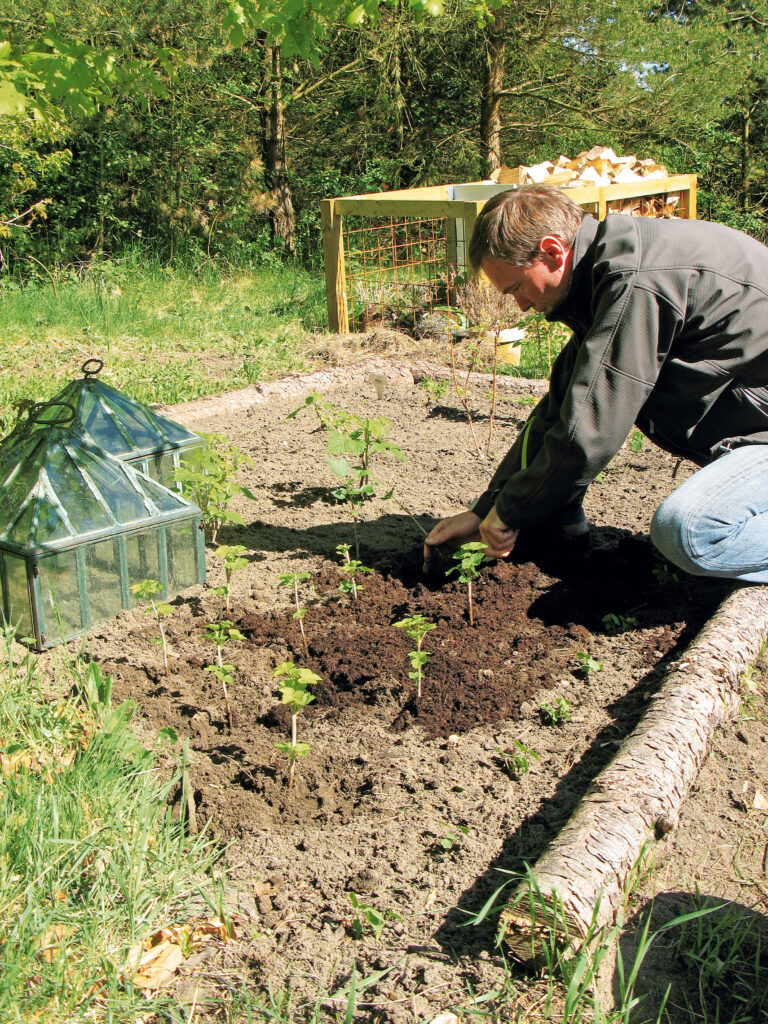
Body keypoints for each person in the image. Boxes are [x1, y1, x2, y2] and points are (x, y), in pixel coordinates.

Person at [424, 183, 768, 583]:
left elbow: (591, 429)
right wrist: (490, 507)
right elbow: (566, 407)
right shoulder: (608, 271)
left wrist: (511, 511)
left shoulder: (636, 282)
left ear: (553, 251)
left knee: (690, 532)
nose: (519, 305)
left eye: (516, 287)